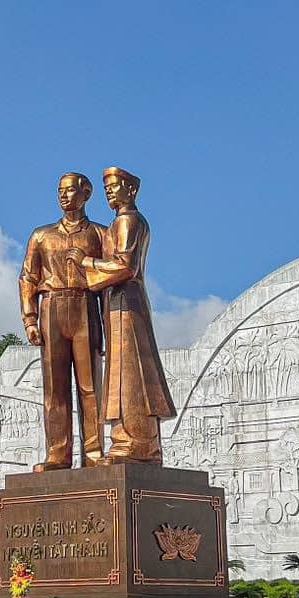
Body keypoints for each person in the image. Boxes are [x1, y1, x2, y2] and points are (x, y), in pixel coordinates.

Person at [76, 167, 177, 463]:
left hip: (126, 302)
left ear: (130, 190)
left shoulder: (127, 221)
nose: (109, 192)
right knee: (122, 369)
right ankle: (132, 439)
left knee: (130, 370)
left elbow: (125, 267)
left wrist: (87, 263)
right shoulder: (121, 222)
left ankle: (136, 441)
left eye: (114, 186)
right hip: (118, 302)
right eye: (106, 187)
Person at [19, 172, 108, 470]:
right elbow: (28, 278)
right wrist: (30, 319)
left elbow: (111, 279)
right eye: (60, 190)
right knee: (55, 389)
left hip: (86, 306)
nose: (63, 195)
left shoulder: (99, 234)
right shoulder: (42, 235)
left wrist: (110, 329)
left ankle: (94, 453)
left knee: (90, 386)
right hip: (52, 307)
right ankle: (58, 454)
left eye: (70, 190)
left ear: (86, 194)